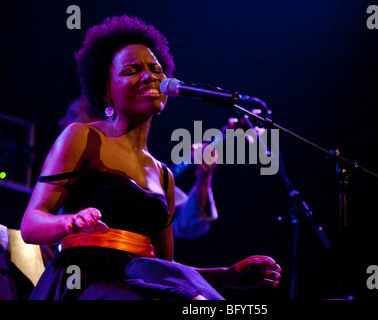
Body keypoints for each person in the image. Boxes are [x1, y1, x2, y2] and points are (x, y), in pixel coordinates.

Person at [20, 15, 281, 300]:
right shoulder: (82, 136)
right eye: (132, 70)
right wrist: (69, 222)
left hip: (139, 286)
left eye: (156, 69)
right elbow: (31, 225)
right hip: (84, 284)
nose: (150, 76)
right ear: (106, 91)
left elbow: (164, 271)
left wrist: (229, 275)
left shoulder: (163, 176)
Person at [59, 95, 218, 240]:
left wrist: (204, 179)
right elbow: (39, 218)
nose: (62, 122)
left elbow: (189, 226)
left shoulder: (151, 172)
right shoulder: (65, 163)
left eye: (73, 116)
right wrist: (48, 237)